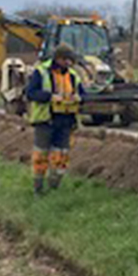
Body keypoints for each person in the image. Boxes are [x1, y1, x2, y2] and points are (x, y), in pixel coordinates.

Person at [23, 43, 85, 194]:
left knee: (61, 156)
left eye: (70, 60)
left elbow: (83, 94)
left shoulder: (73, 76)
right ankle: (38, 188)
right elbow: (30, 93)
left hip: (65, 121)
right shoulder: (41, 72)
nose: (69, 63)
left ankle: (54, 187)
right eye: (66, 60)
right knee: (41, 155)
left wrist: (79, 97)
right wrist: (50, 97)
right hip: (46, 120)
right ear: (58, 58)